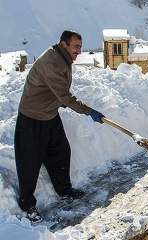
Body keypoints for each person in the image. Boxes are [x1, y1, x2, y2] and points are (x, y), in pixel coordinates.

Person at [15, 30, 105, 222]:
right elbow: (64, 95)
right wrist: (89, 111)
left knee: (61, 152)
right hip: (31, 118)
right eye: (75, 46)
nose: (79, 51)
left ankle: (64, 189)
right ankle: (27, 203)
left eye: (80, 46)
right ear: (63, 44)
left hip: (49, 115)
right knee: (29, 162)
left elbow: (59, 94)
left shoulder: (62, 57)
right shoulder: (52, 62)